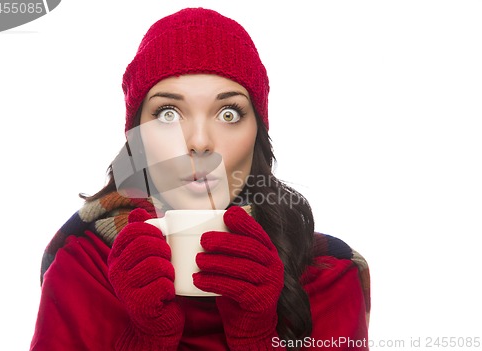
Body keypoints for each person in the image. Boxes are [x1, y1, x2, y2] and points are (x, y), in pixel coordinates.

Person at [30, 7, 371, 351]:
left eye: (228, 113)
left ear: (257, 134)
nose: (199, 142)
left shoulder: (329, 274)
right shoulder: (81, 268)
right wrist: (145, 341)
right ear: (137, 139)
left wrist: (257, 339)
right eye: (167, 113)